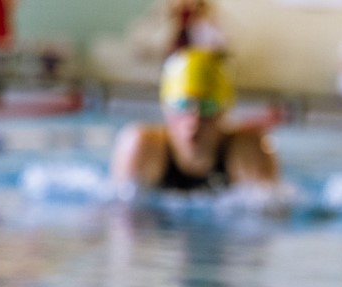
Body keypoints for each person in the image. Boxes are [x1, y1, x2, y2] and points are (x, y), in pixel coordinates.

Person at [109, 47, 279, 191]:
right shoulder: (143, 148)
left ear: (224, 112)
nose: (194, 121)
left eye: (207, 107)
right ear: (166, 108)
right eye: (183, 105)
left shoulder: (248, 151)